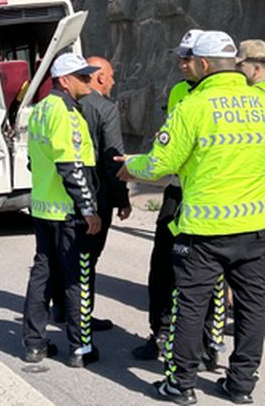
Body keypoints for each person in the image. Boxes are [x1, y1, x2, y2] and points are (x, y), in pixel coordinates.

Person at [118, 31, 265, 405]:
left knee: (190, 306)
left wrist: (130, 167)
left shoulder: (194, 106)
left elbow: (160, 164)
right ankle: (242, 385)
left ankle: (180, 385)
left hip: (203, 231)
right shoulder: (260, 103)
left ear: (202, 64)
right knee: (252, 308)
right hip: (254, 228)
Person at [132, 30, 226, 369]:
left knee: (208, 275)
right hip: (176, 189)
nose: (181, 64)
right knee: (162, 266)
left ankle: (209, 343)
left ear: (204, 62)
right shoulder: (178, 92)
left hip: (209, 193)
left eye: (187, 58)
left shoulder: (224, 94)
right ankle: (159, 331)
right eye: (179, 58)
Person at [22, 53, 103, 368]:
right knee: (76, 281)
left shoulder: (39, 110)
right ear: (64, 81)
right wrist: (89, 209)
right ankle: (80, 350)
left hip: (43, 209)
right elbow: (71, 166)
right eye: (82, 77)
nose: (89, 81)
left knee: (41, 276)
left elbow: (33, 161)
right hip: (69, 214)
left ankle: (33, 344)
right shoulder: (65, 114)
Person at [77, 57, 131, 331]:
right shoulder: (105, 109)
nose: (112, 81)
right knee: (88, 259)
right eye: (110, 76)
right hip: (97, 198)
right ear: (99, 77)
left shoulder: (66, 104)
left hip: (66, 195)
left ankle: (64, 310)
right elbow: (113, 160)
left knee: (66, 257)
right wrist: (123, 199)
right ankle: (82, 317)